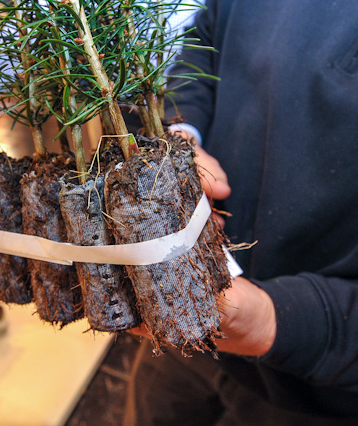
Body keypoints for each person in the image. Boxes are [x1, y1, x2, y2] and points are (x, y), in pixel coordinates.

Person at [129, 0, 358, 424]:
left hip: (312, 389)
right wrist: (183, 132)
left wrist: (273, 322)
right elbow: (204, 42)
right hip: (185, 323)